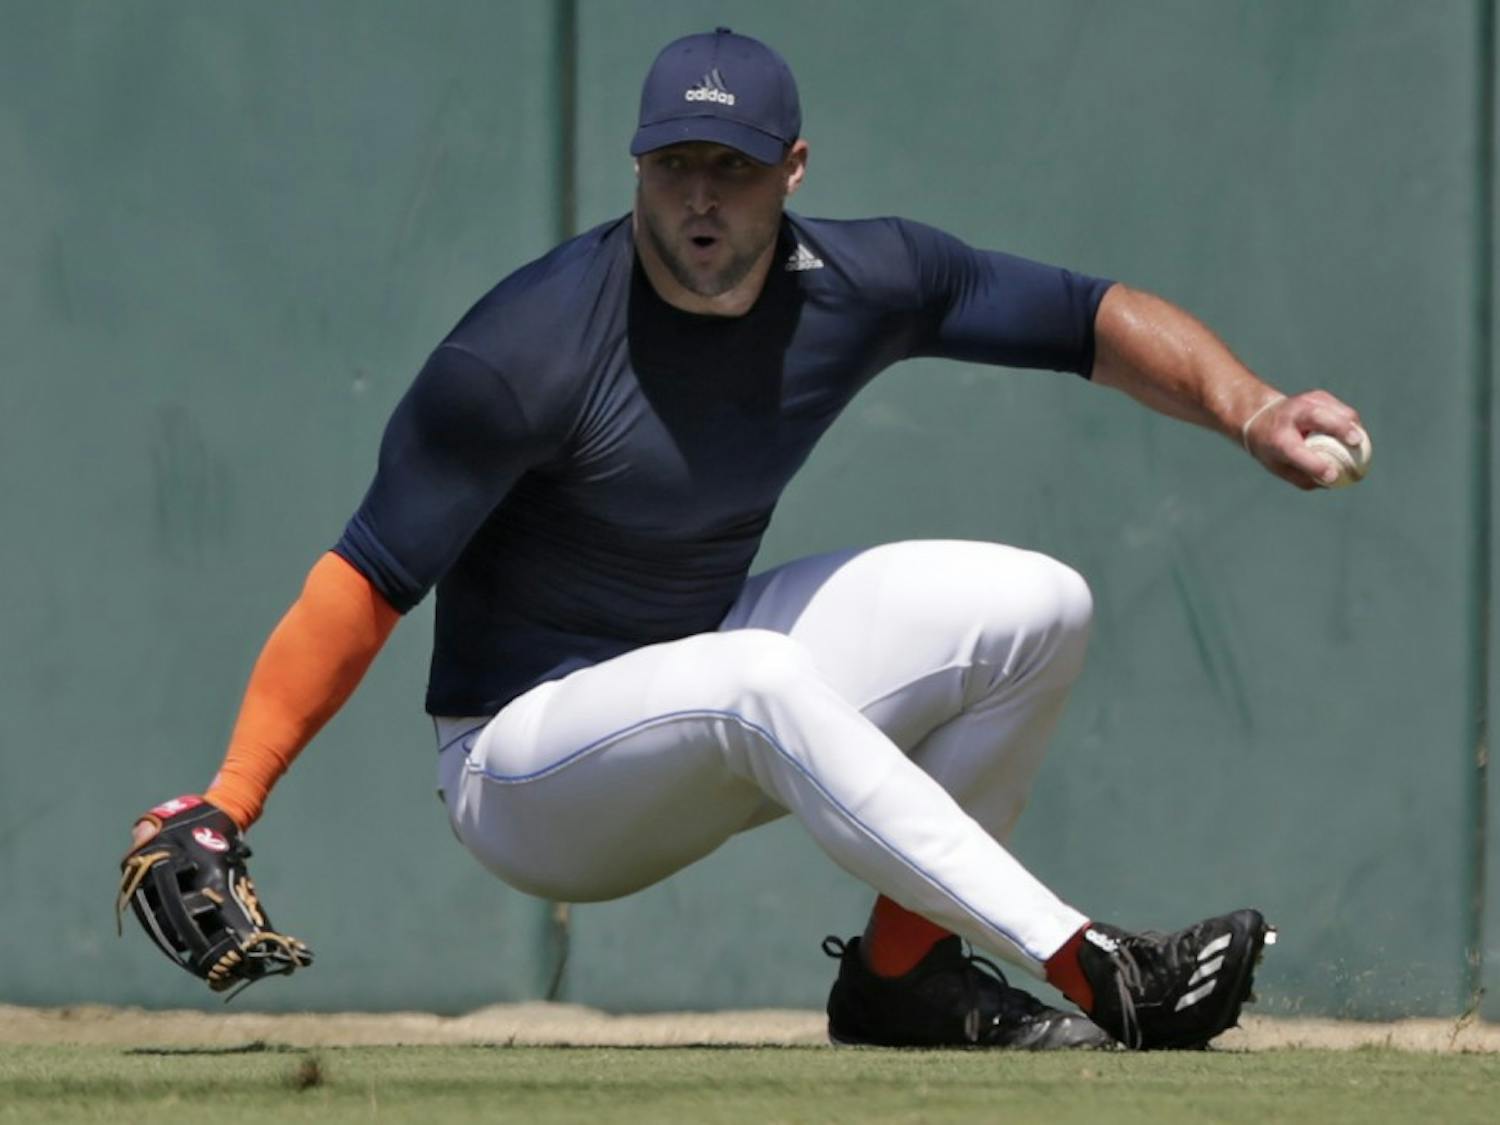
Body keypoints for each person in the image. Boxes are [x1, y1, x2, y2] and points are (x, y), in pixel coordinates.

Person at [122, 28, 1363, 1050]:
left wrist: (1251, 408)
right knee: (754, 680)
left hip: (695, 662)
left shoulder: (858, 284)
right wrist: (228, 801)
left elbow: (1089, 316)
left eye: (732, 163)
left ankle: (904, 983)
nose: (701, 195)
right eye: (674, 164)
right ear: (637, 166)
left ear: (794, 169)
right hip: (526, 769)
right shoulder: (524, 353)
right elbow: (365, 582)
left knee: (1038, 608)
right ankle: (1092, 968)